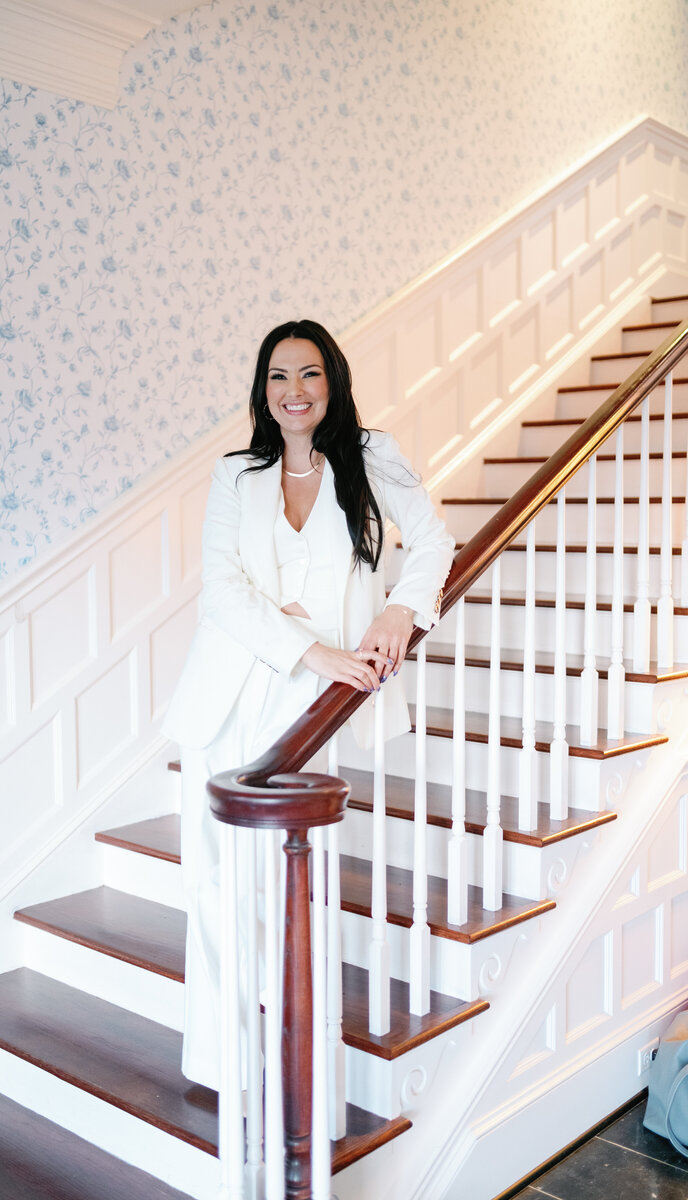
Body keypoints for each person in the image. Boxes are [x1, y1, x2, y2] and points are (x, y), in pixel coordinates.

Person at [162, 318, 454, 1090]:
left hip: (310, 706)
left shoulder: (371, 458)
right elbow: (223, 593)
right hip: (230, 692)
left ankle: (291, 1049)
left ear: (334, 381)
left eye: (310, 374)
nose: (295, 392)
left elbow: (435, 540)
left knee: (285, 877)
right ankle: (227, 1065)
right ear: (264, 391)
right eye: (279, 377)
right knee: (215, 878)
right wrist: (314, 648)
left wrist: (399, 613)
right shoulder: (236, 475)